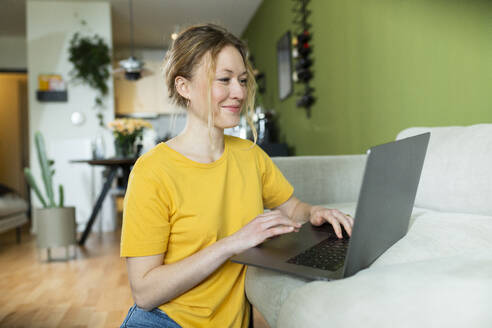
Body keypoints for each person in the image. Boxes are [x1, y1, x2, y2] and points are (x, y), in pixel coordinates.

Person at [119, 23, 354, 328]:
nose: (239, 92)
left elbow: (293, 208)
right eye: (224, 80)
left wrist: (316, 212)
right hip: (164, 321)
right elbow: (145, 292)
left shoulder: (250, 156)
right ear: (184, 87)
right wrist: (233, 243)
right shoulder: (151, 172)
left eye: (243, 80)